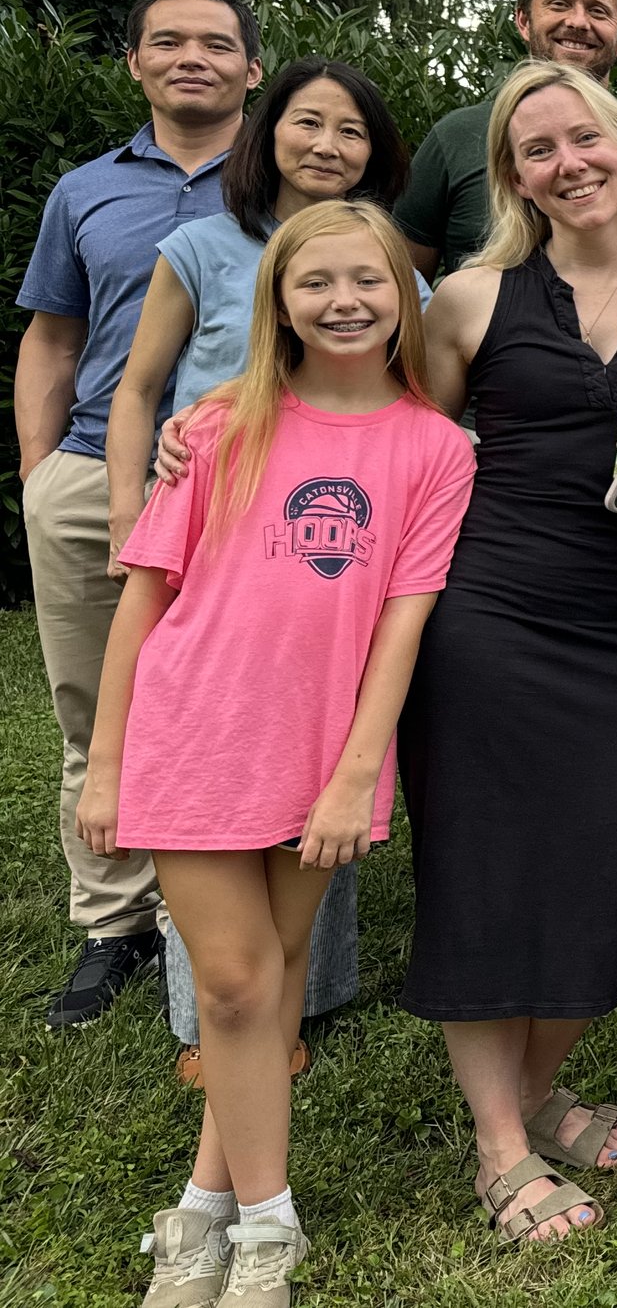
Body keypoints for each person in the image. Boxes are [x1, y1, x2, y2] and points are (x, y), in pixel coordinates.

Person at [80, 201, 472, 1306]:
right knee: (235, 979)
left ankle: (204, 1204)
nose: (345, 301)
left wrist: (357, 772)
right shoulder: (215, 425)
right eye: (316, 283)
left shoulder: (436, 449)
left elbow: (402, 621)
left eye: (369, 280)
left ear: (404, 296)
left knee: (275, 978)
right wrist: (107, 761)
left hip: (318, 753)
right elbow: (144, 599)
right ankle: (268, 1228)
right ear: (279, 303)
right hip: (191, 733)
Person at [397, 60, 617, 1241]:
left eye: (585, 138)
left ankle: (535, 1090)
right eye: (539, 150)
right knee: (483, 870)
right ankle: (500, 1146)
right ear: (513, 177)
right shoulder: (469, 299)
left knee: (613, 866)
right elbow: (403, 447)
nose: (569, 163)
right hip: (488, 616)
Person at [104, 57, 410, 1076]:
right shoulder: (201, 245)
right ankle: (218, 1017)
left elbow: (415, 399)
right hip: (211, 511)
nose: (328, 143)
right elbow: (140, 386)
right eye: (307, 121)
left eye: (351, 129)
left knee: (310, 789)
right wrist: (138, 500)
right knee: (203, 778)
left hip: (326, 545)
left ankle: (293, 1009)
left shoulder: (391, 265)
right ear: (264, 129)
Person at [15, 0, 262, 1027]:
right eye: (167, 42)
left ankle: (194, 914)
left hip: (237, 487)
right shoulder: (84, 192)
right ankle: (113, 920)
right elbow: (53, 337)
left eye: (215, 43)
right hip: (88, 471)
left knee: (216, 703)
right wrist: (42, 470)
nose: (190, 57)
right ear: (134, 63)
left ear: (252, 67)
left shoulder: (288, 187)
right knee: (91, 703)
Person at [395, 0, 617, 279]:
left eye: (597, 10)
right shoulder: (455, 137)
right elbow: (405, 288)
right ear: (523, 21)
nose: (578, 22)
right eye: (559, 4)